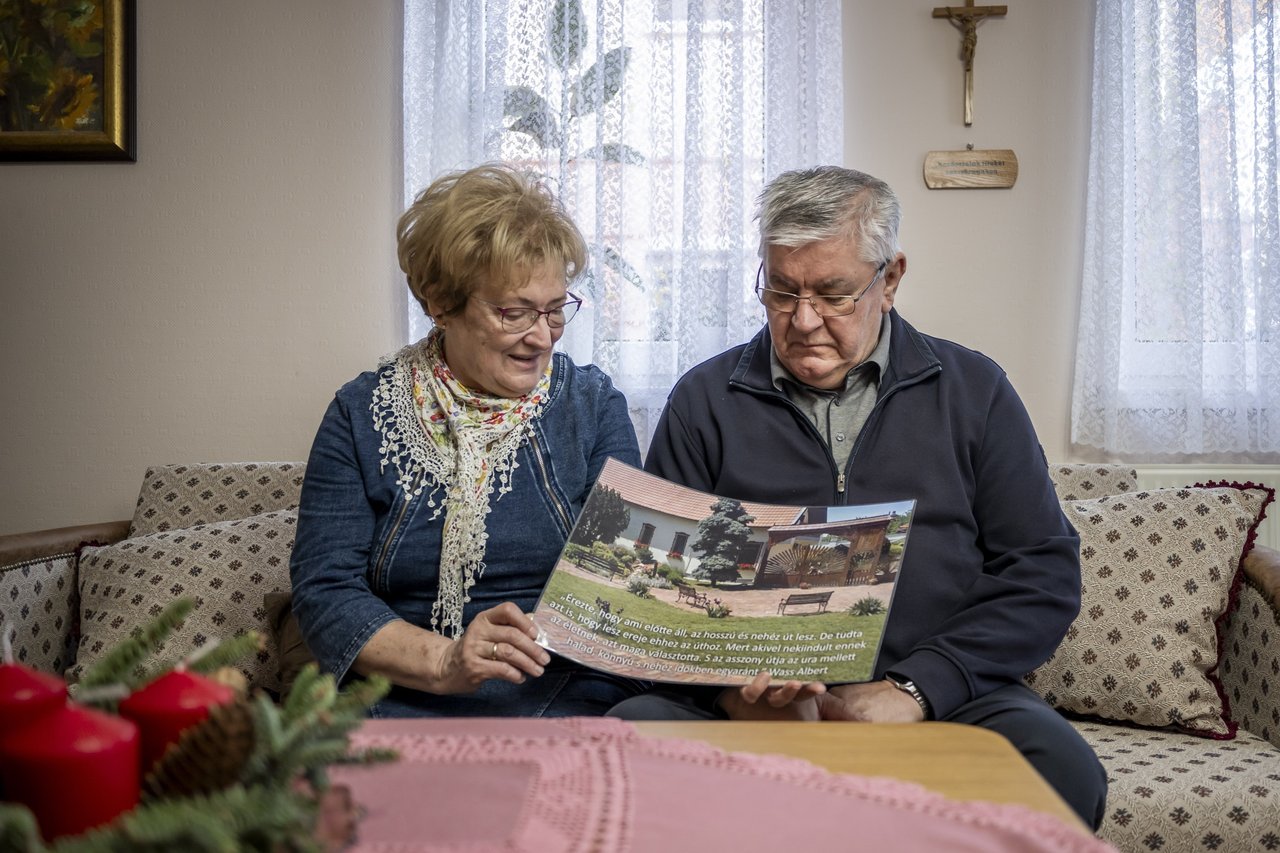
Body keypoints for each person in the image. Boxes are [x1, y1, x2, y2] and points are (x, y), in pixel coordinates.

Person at [609, 166, 1107, 828]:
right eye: (781, 291)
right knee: (628, 738)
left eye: (833, 294)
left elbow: (1042, 571)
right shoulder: (704, 400)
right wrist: (736, 694)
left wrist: (918, 687)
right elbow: (652, 594)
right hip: (752, 706)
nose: (803, 319)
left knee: (1061, 767)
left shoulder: (975, 390)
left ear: (890, 279)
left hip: (934, 701)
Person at [290, 163, 647, 717]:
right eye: (514, 312)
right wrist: (446, 661)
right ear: (439, 301)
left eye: (555, 310)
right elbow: (326, 591)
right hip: (403, 692)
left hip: (568, 692)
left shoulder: (592, 406)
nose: (540, 337)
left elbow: (625, 578)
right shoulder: (360, 414)